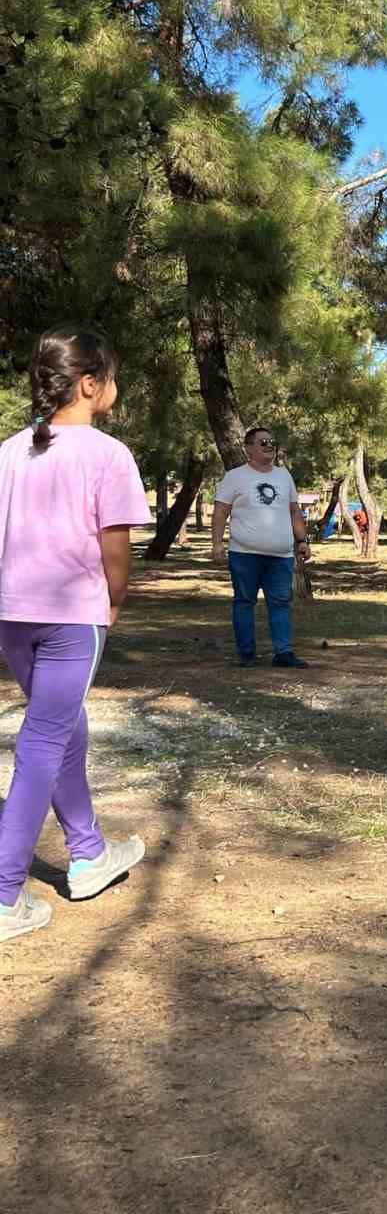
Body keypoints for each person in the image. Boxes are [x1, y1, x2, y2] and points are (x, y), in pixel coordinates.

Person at [0, 325, 152, 943]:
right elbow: (115, 547)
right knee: (43, 739)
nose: (114, 386)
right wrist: (113, 602)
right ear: (90, 385)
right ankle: (5, 894)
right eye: (111, 376)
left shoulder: (8, 450)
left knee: (63, 723)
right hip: (70, 618)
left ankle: (88, 853)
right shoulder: (107, 454)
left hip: (11, 614)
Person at [211, 427, 311, 669]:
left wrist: (302, 540)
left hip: (281, 556)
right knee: (244, 602)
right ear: (248, 448)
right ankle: (246, 654)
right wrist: (216, 544)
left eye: (272, 441)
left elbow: (293, 511)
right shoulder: (235, 477)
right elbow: (221, 511)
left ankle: (283, 653)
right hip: (244, 554)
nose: (269, 445)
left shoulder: (283, 475)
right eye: (263, 442)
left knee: (280, 603)